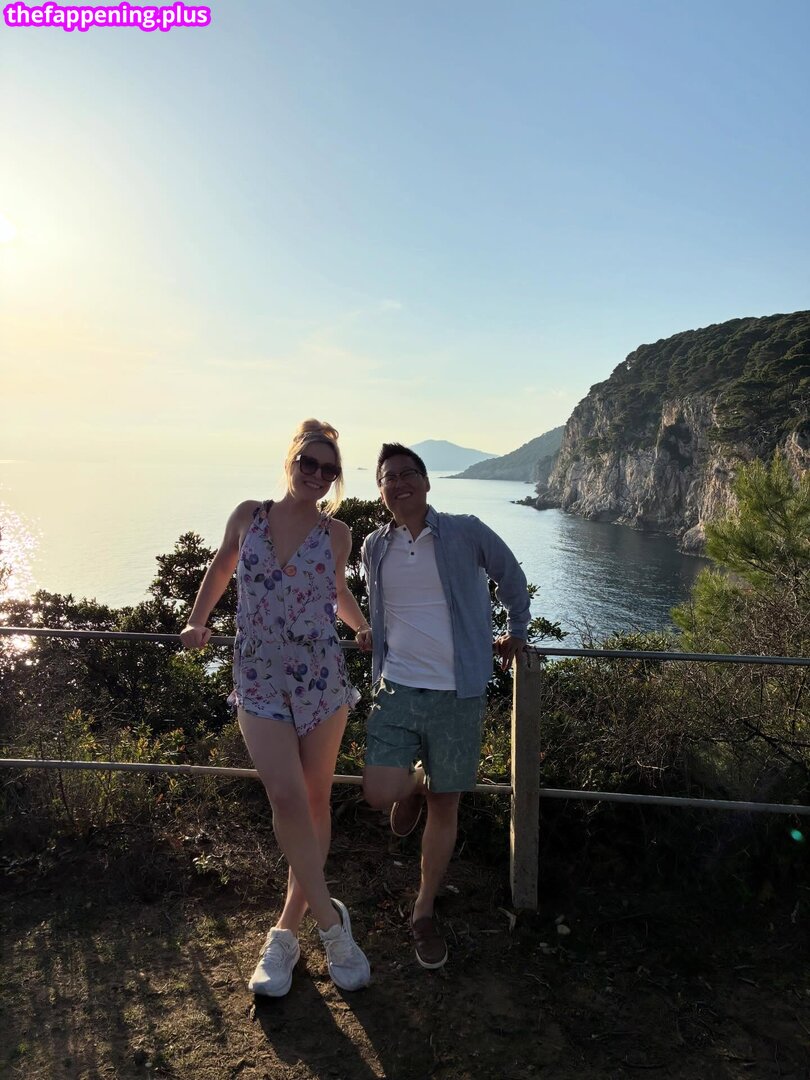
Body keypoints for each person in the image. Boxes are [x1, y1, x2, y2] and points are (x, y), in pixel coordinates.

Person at [180, 420, 373, 997]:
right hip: (259, 677)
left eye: (329, 469)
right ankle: (333, 926)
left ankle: (286, 931)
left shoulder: (337, 533)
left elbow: (336, 591)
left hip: (321, 678)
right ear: (290, 461)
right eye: (308, 462)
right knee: (285, 797)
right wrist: (197, 620)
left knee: (314, 801)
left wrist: (361, 625)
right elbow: (221, 566)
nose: (317, 474)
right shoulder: (249, 516)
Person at [361, 442, 531, 970]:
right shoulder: (374, 546)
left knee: (446, 804)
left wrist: (516, 630)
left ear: (427, 482)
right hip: (396, 686)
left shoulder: (465, 531)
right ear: (381, 490)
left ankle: (424, 910)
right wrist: (368, 631)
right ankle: (412, 783)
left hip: (458, 692)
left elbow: (511, 576)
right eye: (389, 477)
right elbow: (382, 608)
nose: (399, 483)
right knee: (378, 792)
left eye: (408, 473)